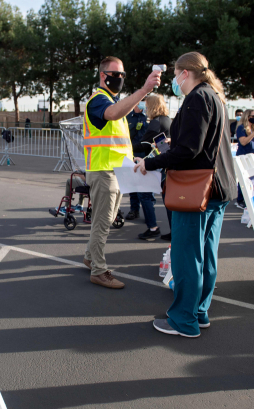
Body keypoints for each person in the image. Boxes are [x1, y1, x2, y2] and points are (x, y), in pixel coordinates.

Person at [134, 51, 236, 337]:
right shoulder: (214, 97)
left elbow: (189, 151)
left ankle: (183, 320)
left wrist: (150, 162)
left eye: (175, 75)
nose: (174, 81)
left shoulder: (196, 99)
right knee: (206, 254)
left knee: (187, 256)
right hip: (217, 189)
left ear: (185, 73)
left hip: (197, 192)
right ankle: (199, 312)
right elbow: (202, 144)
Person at [82, 56, 161, 289]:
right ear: (102, 75)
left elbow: (117, 140)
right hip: (103, 171)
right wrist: (145, 90)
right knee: (102, 222)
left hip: (115, 170)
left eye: (122, 75)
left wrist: (132, 158)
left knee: (105, 220)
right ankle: (98, 270)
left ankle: (90, 257)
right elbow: (113, 114)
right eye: (115, 74)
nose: (119, 78)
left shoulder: (112, 100)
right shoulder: (98, 100)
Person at [132, 93, 172, 241]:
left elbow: (144, 144)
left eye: (147, 105)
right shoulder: (167, 120)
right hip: (164, 162)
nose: (145, 107)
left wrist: (125, 146)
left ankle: (153, 228)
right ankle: (174, 230)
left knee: (144, 194)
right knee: (167, 198)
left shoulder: (156, 122)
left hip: (155, 163)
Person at [234, 109, 254, 209]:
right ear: (247, 116)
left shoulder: (253, 127)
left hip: (251, 155)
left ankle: (247, 198)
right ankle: (240, 200)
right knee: (243, 178)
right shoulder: (241, 128)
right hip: (243, 155)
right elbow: (243, 142)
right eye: (252, 116)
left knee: (250, 178)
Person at [125, 102, 149, 220]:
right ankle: (134, 210)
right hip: (132, 155)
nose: (142, 105)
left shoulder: (146, 118)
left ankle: (149, 214)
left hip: (143, 156)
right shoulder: (127, 117)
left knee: (145, 186)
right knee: (133, 184)